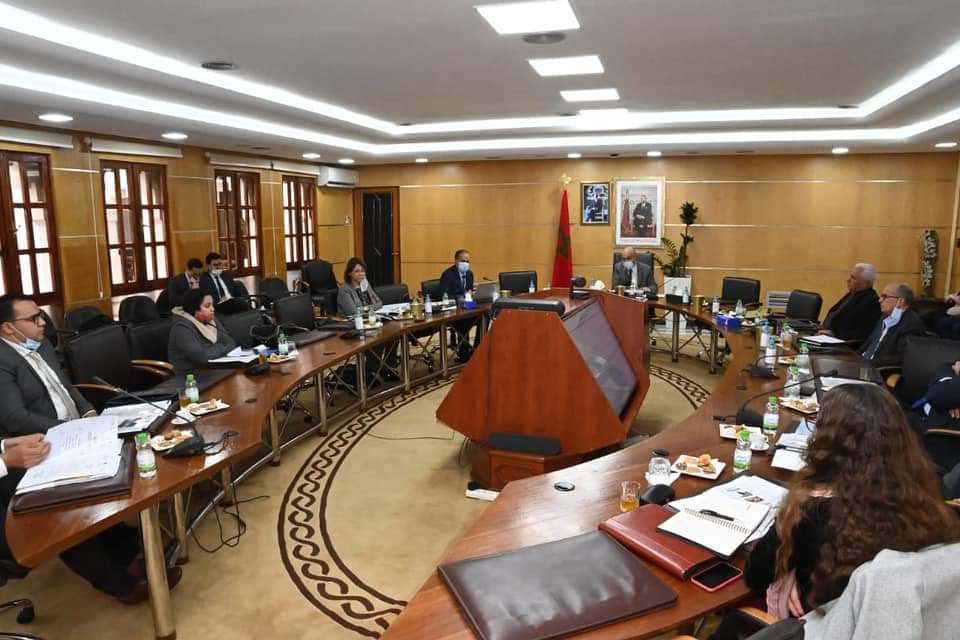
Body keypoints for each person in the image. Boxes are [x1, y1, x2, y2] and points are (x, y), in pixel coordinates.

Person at [710, 384, 960, 639]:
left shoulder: (815, 512)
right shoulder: (923, 499)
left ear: (829, 442)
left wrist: (786, 567)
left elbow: (755, 575)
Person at [0, 294, 97, 436]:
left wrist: (88, 411)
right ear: (8, 327)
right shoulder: (3, 361)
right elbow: (16, 418)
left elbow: (64, 384)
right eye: (34, 319)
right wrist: (70, 428)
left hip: (79, 427)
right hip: (46, 437)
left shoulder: (42, 343)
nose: (42, 322)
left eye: (40, 315)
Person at [168, 288, 237, 374]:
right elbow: (202, 358)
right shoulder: (181, 327)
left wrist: (210, 350)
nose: (212, 309)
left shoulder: (210, 319)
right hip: (190, 375)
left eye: (212, 305)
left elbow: (231, 343)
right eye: (207, 306)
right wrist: (221, 347)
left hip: (213, 368)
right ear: (195, 309)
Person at [858, 283, 926, 367]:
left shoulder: (911, 324)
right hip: (862, 364)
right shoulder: (884, 317)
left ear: (900, 301)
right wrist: (855, 357)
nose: (880, 300)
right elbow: (869, 344)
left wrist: (868, 363)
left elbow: (902, 357)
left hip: (878, 369)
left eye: (885, 296)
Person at [818, 263, 881, 343]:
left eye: (853, 278)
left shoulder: (872, 302)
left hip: (843, 343)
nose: (848, 280)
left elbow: (863, 333)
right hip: (826, 336)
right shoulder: (852, 294)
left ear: (866, 283)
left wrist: (834, 335)